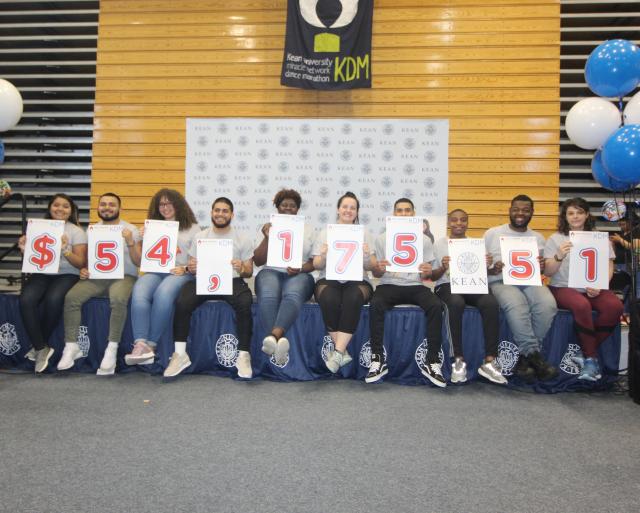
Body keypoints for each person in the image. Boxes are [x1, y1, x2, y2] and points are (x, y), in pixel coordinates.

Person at [165, 197, 254, 378]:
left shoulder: (242, 238)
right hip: (205, 280)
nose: (220, 214)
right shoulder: (200, 236)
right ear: (212, 212)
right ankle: (180, 354)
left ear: (232, 214)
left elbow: (249, 271)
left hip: (231, 280)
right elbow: (191, 266)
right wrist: (192, 267)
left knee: (245, 302)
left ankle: (244, 355)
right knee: (183, 301)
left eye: (224, 211)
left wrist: (241, 267)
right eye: (217, 210)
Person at [58, 192, 142, 375]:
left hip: (124, 276)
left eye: (112, 204)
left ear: (120, 208)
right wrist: (84, 269)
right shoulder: (92, 230)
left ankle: (111, 349)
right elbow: (89, 259)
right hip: (97, 276)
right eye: (103, 204)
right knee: (71, 297)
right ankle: (71, 346)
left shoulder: (130, 229)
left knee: (119, 299)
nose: (107, 208)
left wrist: (129, 242)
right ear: (98, 207)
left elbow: (138, 262)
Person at [367, 198, 446, 387]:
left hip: (415, 285)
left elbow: (430, 275)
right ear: (394, 214)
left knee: (435, 305)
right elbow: (376, 272)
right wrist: (379, 268)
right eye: (399, 210)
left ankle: (432, 361)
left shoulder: (425, 240)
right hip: (388, 283)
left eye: (407, 210)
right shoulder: (381, 238)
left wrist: (428, 271)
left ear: (413, 213)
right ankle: (378, 359)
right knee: (376, 304)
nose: (403, 214)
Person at [544, 197, 623, 381]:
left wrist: (600, 283)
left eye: (580, 212)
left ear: (587, 215)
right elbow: (548, 271)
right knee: (581, 305)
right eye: (571, 213)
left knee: (615, 307)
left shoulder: (598, 237)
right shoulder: (555, 239)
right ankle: (590, 359)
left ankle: (585, 350)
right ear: (565, 216)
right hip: (563, 286)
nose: (575, 216)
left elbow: (608, 265)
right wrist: (558, 255)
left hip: (593, 287)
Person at [484, 194, 558, 383]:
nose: (520, 213)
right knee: (517, 304)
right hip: (499, 281)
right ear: (510, 210)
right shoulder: (492, 233)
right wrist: (492, 268)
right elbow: (480, 265)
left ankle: (527, 357)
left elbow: (540, 269)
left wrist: (540, 265)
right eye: (516, 209)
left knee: (548, 304)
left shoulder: (538, 238)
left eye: (525, 210)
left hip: (530, 282)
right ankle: (534, 356)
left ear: (532, 213)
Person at [124, 189, 200, 366]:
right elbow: (138, 261)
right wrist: (134, 242)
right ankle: (140, 343)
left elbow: (197, 259)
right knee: (139, 291)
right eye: (161, 204)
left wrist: (186, 268)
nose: (165, 207)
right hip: (156, 270)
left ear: (178, 204)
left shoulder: (193, 228)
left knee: (163, 293)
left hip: (181, 272)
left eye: (169, 203)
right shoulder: (151, 227)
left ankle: (151, 345)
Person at [431, 209, 507, 384]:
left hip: (472, 284)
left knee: (490, 302)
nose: (459, 223)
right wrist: (443, 267)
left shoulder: (476, 244)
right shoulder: (439, 244)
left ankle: (489, 362)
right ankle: (458, 360)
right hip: (446, 285)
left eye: (463, 220)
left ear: (468, 223)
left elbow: (485, 272)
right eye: (455, 220)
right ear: (449, 223)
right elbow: (433, 277)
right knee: (455, 302)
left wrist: (493, 268)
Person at [18, 193, 87, 373]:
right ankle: (41, 348)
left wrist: (65, 250)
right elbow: (32, 257)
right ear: (50, 207)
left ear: (71, 210)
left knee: (54, 299)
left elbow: (80, 263)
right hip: (42, 273)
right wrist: (24, 250)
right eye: (56, 205)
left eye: (65, 206)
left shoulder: (76, 231)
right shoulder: (38, 228)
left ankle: (39, 348)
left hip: (67, 274)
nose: (60, 209)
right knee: (26, 300)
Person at [312, 192, 376, 373]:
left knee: (353, 297)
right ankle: (342, 352)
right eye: (345, 207)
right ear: (338, 209)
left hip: (358, 280)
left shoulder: (364, 233)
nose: (348, 210)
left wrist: (366, 255)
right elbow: (316, 264)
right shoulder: (326, 231)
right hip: (329, 278)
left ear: (357, 212)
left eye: (353, 208)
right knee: (328, 298)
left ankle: (338, 351)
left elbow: (372, 266)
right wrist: (323, 255)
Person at [253, 189, 315, 366]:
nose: (288, 208)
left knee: (293, 294)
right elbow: (257, 260)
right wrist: (267, 238)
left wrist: (300, 268)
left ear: (298, 209)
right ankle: (279, 342)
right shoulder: (266, 227)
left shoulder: (308, 229)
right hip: (270, 270)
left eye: (292, 205)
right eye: (284, 205)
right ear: (277, 207)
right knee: (268, 294)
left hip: (299, 273)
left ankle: (273, 337)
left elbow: (314, 262)